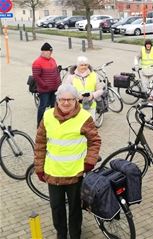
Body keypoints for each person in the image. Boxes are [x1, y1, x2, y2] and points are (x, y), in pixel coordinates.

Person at [34, 84, 101, 239]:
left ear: (76, 100)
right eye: (62, 99)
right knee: (56, 208)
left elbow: (95, 141)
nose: (65, 103)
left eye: (69, 100)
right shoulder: (48, 116)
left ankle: (75, 234)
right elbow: (40, 144)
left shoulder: (84, 117)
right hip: (53, 172)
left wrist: (89, 162)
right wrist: (39, 167)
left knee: (75, 209)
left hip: (75, 173)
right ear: (57, 100)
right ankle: (61, 234)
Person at [32, 42, 61, 127]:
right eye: (49, 52)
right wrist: (44, 85)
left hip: (54, 88)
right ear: (43, 52)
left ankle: (53, 122)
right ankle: (39, 124)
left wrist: (59, 82)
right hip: (45, 90)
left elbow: (56, 73)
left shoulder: (52, 60)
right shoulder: (37, 62)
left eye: (51, 52)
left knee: (54, 105)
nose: (50, 53)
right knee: (43, 106)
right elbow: (36, 76)